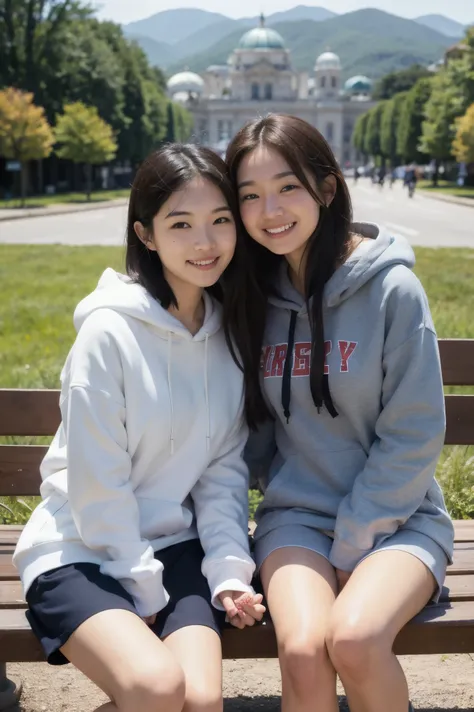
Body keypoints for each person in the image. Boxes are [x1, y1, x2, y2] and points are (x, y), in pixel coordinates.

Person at [13, 144, 265, 712]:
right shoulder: (108, 334)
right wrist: (142, 585)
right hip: (79, 547)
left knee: (199, 701)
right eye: (181, 224)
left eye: (220, 220)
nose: (206, 243)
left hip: (175, 546)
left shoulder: (229, 337)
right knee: (157, 687)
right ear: (146, 235)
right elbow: (96, 483)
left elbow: (222, 474)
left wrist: (228, 573)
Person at [225, 114, 454, 712]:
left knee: (353, 638)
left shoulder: (391, 289)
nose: (269, 210)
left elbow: (414, 432)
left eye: (287, 187)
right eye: (249, 195)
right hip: (297, 518)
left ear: (327, 189)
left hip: (399, 519)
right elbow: (247, 440)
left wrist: (352, 544)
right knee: (301, 649)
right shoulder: (253, 297)